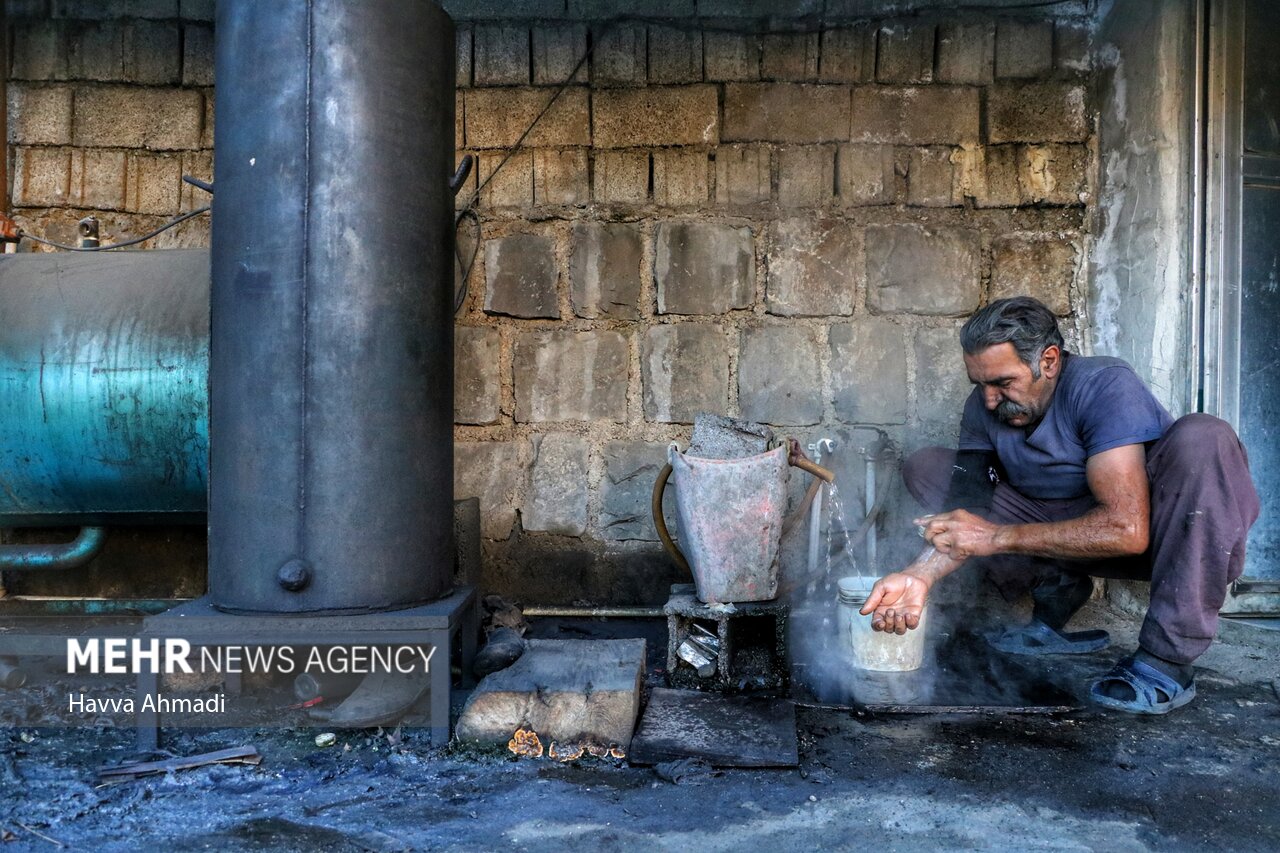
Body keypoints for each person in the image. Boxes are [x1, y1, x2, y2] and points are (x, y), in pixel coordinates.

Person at [860, 296, 1259, 715]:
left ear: (1048, 361)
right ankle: (1056, 589)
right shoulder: (983, 406)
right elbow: (964, 513)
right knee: (929, 467)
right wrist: (919, 575)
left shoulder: (1104, 384)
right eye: (979, 384)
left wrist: (995, 537)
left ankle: (1168, 660)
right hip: (1055, 527)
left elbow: (1127, 529)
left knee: (1204, 435)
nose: (990, 399)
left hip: (1155, 538)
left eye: (1002, 383)